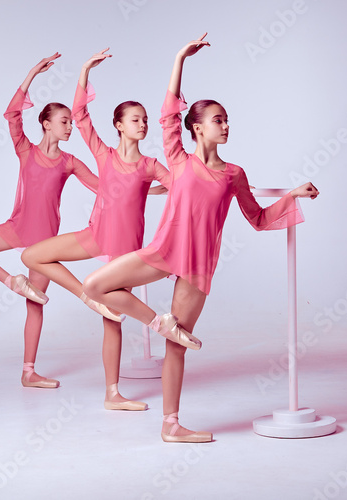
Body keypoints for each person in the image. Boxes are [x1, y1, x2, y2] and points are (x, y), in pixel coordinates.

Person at [82, 34, 319, 442]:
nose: (226, 125)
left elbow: (258, 218)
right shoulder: (178, 158)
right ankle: (161, 323)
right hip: (162, 250)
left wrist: (293, 195)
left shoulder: (234, 174)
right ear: (197, 127)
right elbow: (167, 114)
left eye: (227, 119)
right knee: (95, 285)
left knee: (177, 349)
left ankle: (171, 426)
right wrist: (179, 58)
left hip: (197, 266)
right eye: (218, 119)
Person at [21, 49, 171, 410]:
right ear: (119, 124)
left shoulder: (151, 165)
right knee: (32, 255)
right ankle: (84, 294)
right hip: (94, 234)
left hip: (126, 249)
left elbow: (182, 186)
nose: (143, 124)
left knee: (113, 319)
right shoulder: (104, 155)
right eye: (136, 119)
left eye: (146, 120)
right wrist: (86, 69)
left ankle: (112, 394)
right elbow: (81, 115)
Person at [0, 52, 100, 389]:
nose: (70, 126)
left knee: (35, 304)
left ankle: (28, 372)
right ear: (46, 123)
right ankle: (10, 280)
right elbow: (12, 114)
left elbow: (103, 187)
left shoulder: (70, 162)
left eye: (71, 122)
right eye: (64, 121)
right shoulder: (26, 150)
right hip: (16, 228)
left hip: (45, 243)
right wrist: (32, 74)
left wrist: (148, 187)